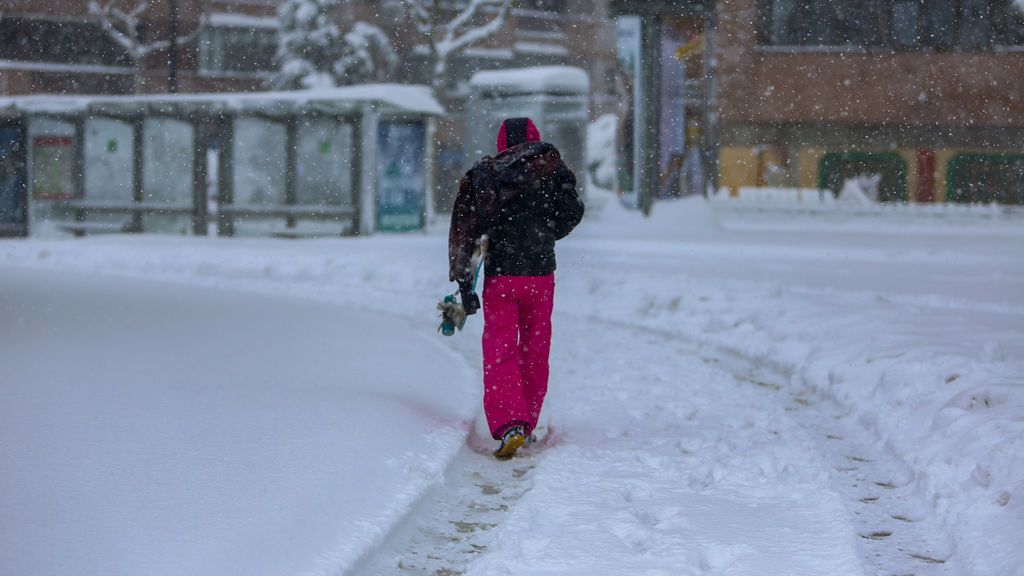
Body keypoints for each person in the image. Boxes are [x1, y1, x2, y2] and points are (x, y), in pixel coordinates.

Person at [448, 117, 585, 460]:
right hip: (541, 275)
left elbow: (464, 230)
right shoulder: (552, 166)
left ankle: (510, 421)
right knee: (536, 349)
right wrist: (546, 230)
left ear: (500, 143)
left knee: (500, 349)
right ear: (535, 139)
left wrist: (464, 282)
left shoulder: (485, 175)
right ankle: (529, 423)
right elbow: (573, 211)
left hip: (502, 277)